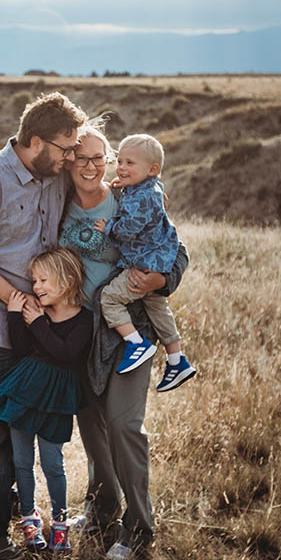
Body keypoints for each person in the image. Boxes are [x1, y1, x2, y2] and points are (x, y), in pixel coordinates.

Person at [0, 92, 87, 560]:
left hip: (41, 327)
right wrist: (12, 298)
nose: (70, 157)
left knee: (24, 424)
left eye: (73, 150)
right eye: (65, 148)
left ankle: (12, 501)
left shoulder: (52, 173)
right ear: (34, 140)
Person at [58, 121, 189, 560]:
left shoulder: (131, 197)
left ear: (110, 159)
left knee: (123, 424)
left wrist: (164, 277)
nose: (91, 165)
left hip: (129, 329)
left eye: (100, 156)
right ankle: (101, 509)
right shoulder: (55, 204)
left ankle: (138, 525)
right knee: (92, 427)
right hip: (77, 330)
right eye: (81, 157)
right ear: (68, 161)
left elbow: (175, 248)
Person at [0, 248, 92, 553]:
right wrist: (17, 316)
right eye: (34, 280)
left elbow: (66, 353)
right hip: (25, 391)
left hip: (57, 397)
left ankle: (59, 523)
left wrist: (39, 323)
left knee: (53, 464)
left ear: (68, 280)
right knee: (22, 461)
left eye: (43, 280)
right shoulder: (35, 312)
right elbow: (22, 349)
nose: (36, 286)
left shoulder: (84, 319)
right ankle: (29, 519)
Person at [95, 133, 196, 392]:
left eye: (130, 163)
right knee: (157, 307)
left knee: (110, 298)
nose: (121, 167)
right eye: (119, 161)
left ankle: (135, 342)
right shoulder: (150, 188)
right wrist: (126, 184)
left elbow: (128, 229)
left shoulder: (143, 197)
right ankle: (177, 359)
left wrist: (109, 227)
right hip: (157, 259)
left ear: (152, 169)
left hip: (143, 264)